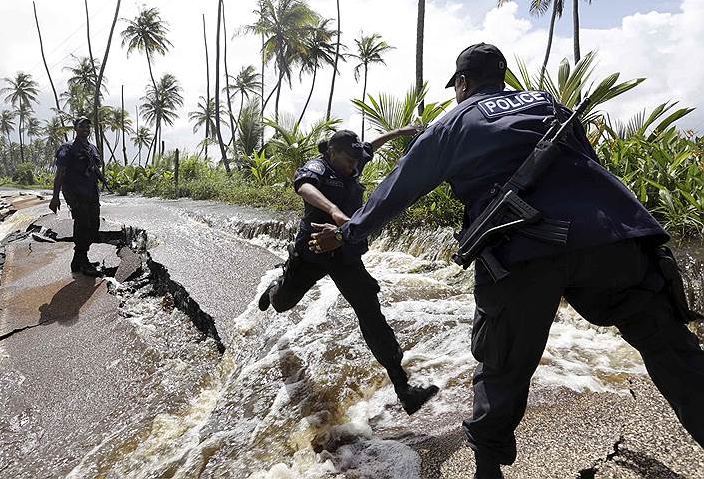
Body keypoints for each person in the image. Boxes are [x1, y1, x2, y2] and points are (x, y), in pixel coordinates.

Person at [309, 43, 704, 479]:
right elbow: (586, 163)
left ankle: (486, 471)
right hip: (615, 235)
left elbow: (398, 189)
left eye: (457, 86)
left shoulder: (455, 121)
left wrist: (347, 233)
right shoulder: (549, 105)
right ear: (501, 79)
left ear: (462, 83)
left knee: (502, 368)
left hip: (522, 249)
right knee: (674, 352)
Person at [258, 127, 440, 416]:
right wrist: (333, 210)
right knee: (282, 304)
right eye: (347, 160)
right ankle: (274, 288)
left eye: (356, 160)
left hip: (344, 253)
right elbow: (304, 186)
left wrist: (405, 131)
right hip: (313, 253)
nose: (353, 165)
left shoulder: (354, 158)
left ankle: (404, 389)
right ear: (331, 153)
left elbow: (373, 145)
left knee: (371, 312)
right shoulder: (317, 167)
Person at [49, 117, 104, 277]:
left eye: (88, 126)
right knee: (83, 224)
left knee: (94, 225)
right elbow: (60, 173)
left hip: (92, 192)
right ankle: (83, 261)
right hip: (75, 193)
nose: (85, 128)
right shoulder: (67, 148)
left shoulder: (93, 148)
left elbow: (95, 168)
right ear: (75, 128)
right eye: (82, 126)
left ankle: (78, 259)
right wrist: (55, 196)